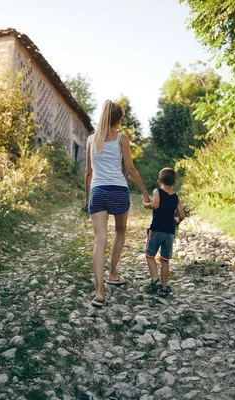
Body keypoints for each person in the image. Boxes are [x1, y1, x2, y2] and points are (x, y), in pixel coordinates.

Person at [84, 100, 151, 307]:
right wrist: (146, 193)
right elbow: (130, 171)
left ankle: (99, 292)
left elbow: (88, 172)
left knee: (99, 240)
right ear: (119, 119)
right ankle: (112, 274)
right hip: (119, 190)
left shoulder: (91, 140)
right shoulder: (122, 139)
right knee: (120, 231)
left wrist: (88, 199)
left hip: (98, 191)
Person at [142, 168, 185, 297]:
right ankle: (164, 287)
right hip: (169, 232)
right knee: (165, 260)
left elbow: (155, 205)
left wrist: (146, 204)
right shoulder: (176, 197)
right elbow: (182, 215)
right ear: (174, 183)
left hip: (156, 229)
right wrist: (176, 221)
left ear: (159, 181)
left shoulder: (157, 191)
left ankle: (156, 280)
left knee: (150, 256)